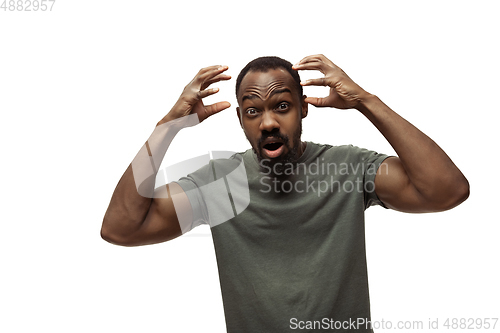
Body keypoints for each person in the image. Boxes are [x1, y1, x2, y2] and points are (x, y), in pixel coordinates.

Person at [101, 54, 469, 332]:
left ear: (303, 109)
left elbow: (446, 190)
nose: (268, 122)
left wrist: (364, 101)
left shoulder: (346, 168)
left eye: (282, 106)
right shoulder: (220, 183)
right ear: (242, 119)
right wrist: (169, 125)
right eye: (252, 111)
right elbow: (121, 228)